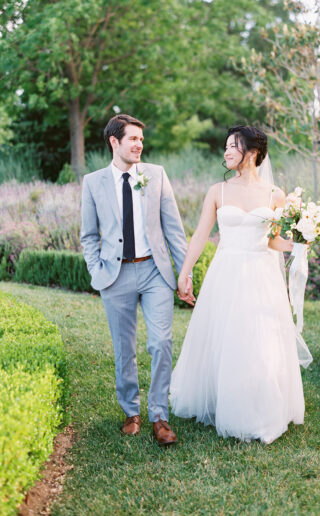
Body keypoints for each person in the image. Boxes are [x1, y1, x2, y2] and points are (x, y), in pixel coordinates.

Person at [170, 125, 312, 444]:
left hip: (262, 274)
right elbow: (200, 235)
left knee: (261, 340)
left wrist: (303, 242)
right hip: (228, 271)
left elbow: (275, 242)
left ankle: (260, 405)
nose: (226, 152)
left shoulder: (275, 195)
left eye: (233, 146)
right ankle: (226, 398)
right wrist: (185, 271)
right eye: (225, 147)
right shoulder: (217, 192)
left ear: (252, 151)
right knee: (227, 335)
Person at [80, 114, 194, 446]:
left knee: (160, 343)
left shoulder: (156, 175)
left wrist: (184, 273)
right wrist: (95, 270)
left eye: (141, 139)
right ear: (114, 142)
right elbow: (88, 235)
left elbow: (174, 229)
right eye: (132, 139)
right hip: (114, 277)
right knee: (123, 349)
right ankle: (132, 412)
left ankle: (159, 416)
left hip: (155, 272)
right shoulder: (93, 182)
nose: (139, 144)